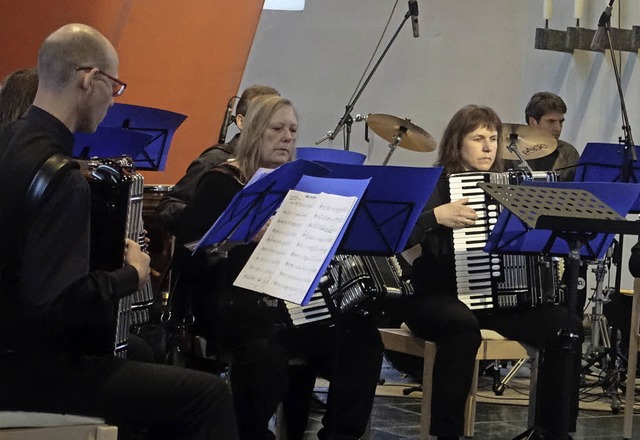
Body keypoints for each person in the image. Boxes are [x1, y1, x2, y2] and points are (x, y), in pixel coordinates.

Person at [0, 23, 238, 440]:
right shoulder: (61, 177)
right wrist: (132, 274)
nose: (114, 101)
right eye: (115, 87)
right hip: (27, 369)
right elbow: (53, 306)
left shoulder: (7, 143)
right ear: (89, 79)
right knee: (209, 395)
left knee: (144, 370)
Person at [173, 94, 384, 440]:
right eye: (277, 128)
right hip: (229, 303)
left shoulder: (300, 185)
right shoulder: (221, 182)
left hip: (289, 306)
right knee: (264, 351)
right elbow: (189, 253)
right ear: (255, 131)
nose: (287, 137)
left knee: (361, 340)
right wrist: (240, 237)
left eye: (293, 130)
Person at [404, 104, 583, 440]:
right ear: (457, 144)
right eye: (478, 138)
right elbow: (398, 237)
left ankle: (552, 431)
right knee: (461, 327)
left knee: (566, 326)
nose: (488, 147)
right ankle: (447, 433)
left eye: (492, 139)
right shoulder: (435, 185)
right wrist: (436, 217)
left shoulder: (511, 186)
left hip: (498, 301)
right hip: (438, 296)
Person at [155, 84, 280, 234]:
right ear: (241, 122)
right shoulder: (215, 160)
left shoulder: (280, 165)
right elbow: (167, 208)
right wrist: (223, 223)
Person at [505, 92, 580, 181]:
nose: (558, 128)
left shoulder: (568, 152)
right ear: (533, 122)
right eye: (551, 121)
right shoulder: (510, 152)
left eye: (560, 122)